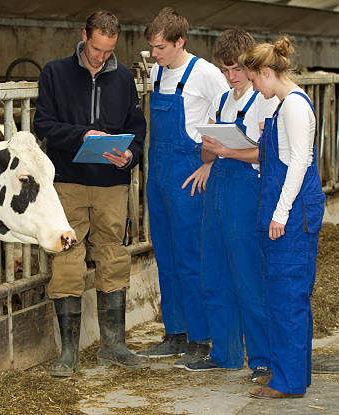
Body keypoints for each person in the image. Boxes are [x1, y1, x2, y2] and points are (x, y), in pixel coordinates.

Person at [33, 10, 149, 378]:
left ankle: (114, 345)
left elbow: (137, 127)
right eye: (97, 48)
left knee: (113, 254)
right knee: (67, 253)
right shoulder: (55, 73)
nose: (101, 57)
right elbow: (44, 125)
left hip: (111, 183)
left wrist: (130, 155)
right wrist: (82, 135)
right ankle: (69, 352)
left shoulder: (124, 78)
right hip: (68, 179)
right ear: (84, 36)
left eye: (108, 50)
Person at [180, 29, 278, 384]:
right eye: (225, 70)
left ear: (250, 66)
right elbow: (208, 151)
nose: (231, 77)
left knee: (249, 279)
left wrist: (225, 151)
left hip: (244, 195)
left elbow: (267, 152)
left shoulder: (263, 101)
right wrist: (208, 150)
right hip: (217, 195)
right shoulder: (222, 101)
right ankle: (225, 353)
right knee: (215, 275)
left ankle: (264, 360)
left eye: (236, 69)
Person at [137, 7, 228, 368]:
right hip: (159, 173)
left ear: (180, 41)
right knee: (166, 253)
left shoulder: (206, 74)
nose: (154, 55)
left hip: (187, 171)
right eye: (152, 47)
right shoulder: (159, 72)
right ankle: (174, 332)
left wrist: (210, 161)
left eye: (160, 48)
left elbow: (228, 115)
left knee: (192, 256)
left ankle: (201, 337)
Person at [238, 36, 326, 398]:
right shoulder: (282, 106)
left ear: (267, 72)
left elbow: (300, 165)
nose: (255, 89)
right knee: (281, 295)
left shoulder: (293, 107)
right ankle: (287, 372)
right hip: (282, 209)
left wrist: (280, 213)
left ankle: (288, 381)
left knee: (288, 297)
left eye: (255, 81)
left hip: (291, 214)